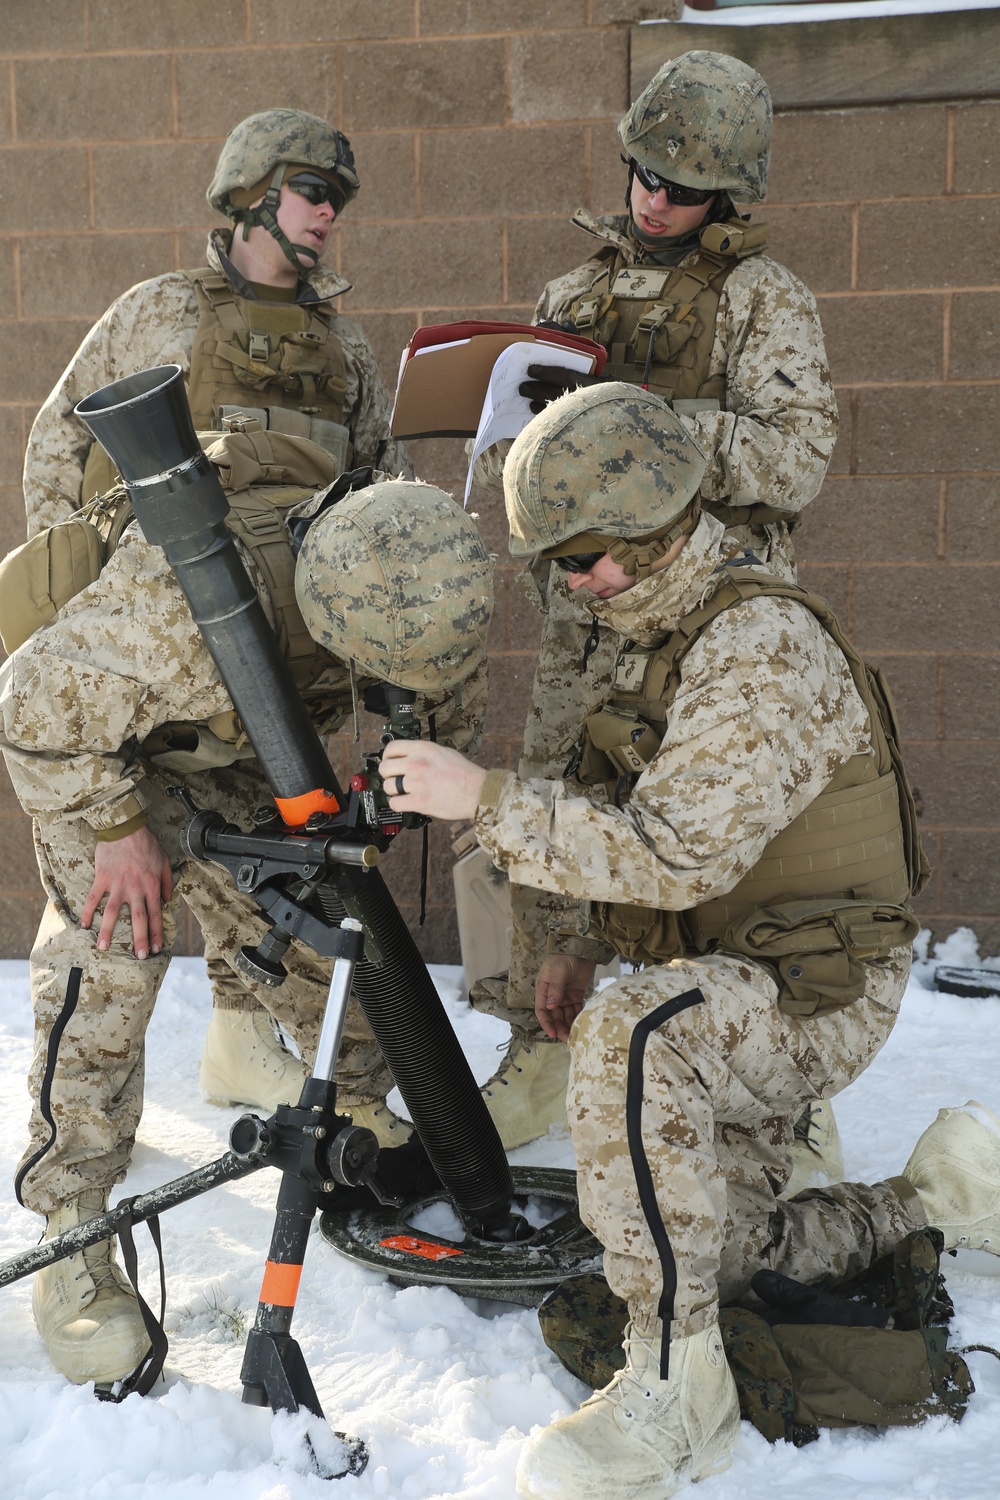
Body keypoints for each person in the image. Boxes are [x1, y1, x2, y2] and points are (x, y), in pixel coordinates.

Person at [379, 384, 1000, 1498]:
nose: (570, 584)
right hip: (740, 965)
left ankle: (679, 1386)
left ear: (653, 528)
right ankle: (934, 1199)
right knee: (713, 1252)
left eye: (582, 559)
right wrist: (579, 942)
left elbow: (678, 855)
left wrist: (484, 798)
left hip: (817, 990)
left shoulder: (756, 645)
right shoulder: (660, 628)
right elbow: (640, 832)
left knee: (634, 1030)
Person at [0, 456, 492, 1389]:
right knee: (114, 948)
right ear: (331, 623)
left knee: (321, 925)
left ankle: (348, 1101)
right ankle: (73, 1224)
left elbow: (433, 695)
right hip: (84, 742)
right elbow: (28, 704)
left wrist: (402, 770)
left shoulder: (429, 568)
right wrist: (118, 828)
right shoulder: (174, 612)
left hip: (219, 725)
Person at [464, 52, 842, 1169]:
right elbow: (527, 465)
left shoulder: (764, 302)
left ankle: (782, 1097)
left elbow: (795, 460)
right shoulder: (573, 295)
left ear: (726, 191)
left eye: (678, 185)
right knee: (554, 814)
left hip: (710, 625)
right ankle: (541, 1047)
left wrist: (643, 423)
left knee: (731, 849)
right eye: (640, 171)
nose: (651, 199)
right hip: (586, 621)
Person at [20, 107, 415, 1124]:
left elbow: (378, 500)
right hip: (112, 699)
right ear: (251, 193)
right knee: (113, 952)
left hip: (249, 704)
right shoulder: (158, 312)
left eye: (341, 201)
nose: (330, 215)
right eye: (312, 191)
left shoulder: (345, 351)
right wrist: (96, 610)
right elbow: (58, 452)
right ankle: (74, 1214)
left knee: (338, 952)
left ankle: (364, 1127)